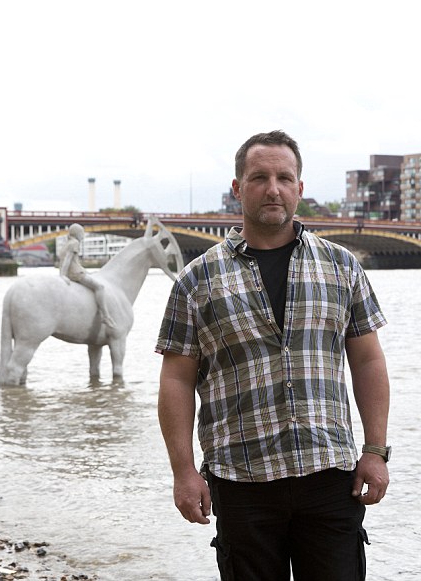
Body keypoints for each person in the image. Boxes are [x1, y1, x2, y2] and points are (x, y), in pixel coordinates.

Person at [156, 130, 391, 580]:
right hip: (241, 480)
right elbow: (176, 380)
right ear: (237, 187)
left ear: (300, 188)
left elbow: (368, 361)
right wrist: (183, 472)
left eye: (284, 178)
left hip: (329, 475)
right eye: (259, 177)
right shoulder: (196, 281)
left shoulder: (341, 266)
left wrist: (376, 451)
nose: (273, 189)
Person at [60, 223, 116, 329]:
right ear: (77, 233)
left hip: (75, 271)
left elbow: (72, 261)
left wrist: (85, 271)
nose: (83, 236)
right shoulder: (75, 243)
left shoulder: (67, 243)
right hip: (75, 274)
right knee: (100, 287)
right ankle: (105, 315)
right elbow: (68, 259)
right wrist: (63, 275)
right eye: (82, 233)